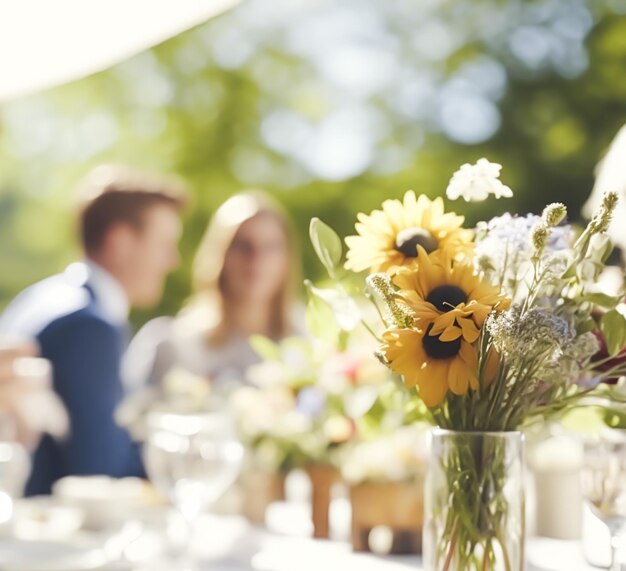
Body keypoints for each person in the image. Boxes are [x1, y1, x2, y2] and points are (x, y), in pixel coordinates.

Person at [0, 165, 185, 495]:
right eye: (164, 244)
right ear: (121, 241)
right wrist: (184, 457)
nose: (173, 261)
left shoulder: (41, 296)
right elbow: (99, 469)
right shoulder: (90, 326)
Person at [125, 190, 303, 391]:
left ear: (287, 259)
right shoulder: (174, 345)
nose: (256, 259)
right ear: (220, 254)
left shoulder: (312, 344)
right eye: (243, 245)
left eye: (270, 247)